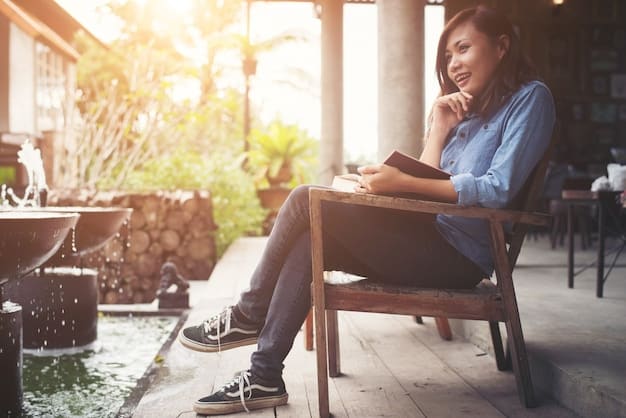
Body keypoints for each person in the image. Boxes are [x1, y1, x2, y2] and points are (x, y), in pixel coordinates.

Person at [179, 5, 555, 415]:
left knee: (306, 197)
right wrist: (441, 127)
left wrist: (402, 182)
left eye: (463, 49)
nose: (453, 64)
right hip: (428, 240)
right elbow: (426, 193)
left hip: (460, 258)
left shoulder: (531, 99)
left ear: (501, 46)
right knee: (310, 237)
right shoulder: (465, 109)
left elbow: (498, 189)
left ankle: (247, 314)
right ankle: (265, 375)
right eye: (447, 56)